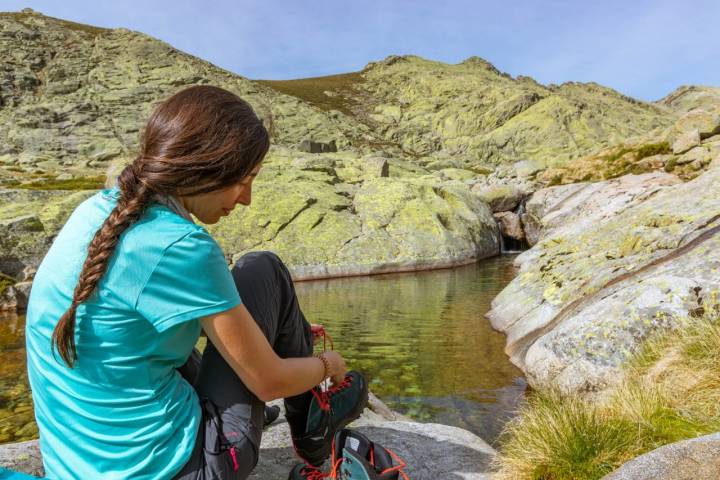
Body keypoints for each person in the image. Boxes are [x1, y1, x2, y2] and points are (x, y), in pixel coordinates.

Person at [25, 85, 368, 480]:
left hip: (75, 468)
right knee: (261, 269)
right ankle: (314, 429)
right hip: (181, 469)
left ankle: (306, 419)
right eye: (245, 179)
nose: (247, 199)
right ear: (208, 167)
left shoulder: (95, 211)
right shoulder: (182, 247)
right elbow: (268, 379)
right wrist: (327, 363)